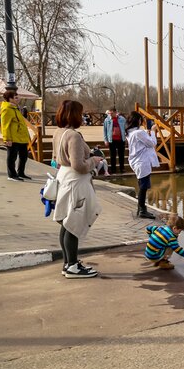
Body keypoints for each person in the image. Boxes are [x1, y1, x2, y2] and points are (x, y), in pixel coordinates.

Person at [52, 100, 104, 278]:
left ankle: (68, 263)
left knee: (66, 223)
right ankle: (73, 266)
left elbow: (59, 158)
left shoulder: (59, 132)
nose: (82, 117)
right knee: (74, 224)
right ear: (74, 115)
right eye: (80, 114)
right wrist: (94, 161)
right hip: (76, 183)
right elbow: (79, 166)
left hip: (65, 179)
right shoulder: (73, 135)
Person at [127, 111, 160, 219]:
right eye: (141, 120)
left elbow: (141, 136)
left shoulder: (131, 132)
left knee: (142, 184)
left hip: (136, 161)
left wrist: (146, 132)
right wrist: (154, 132)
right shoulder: (138, 133)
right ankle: (142, 210)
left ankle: (140, 208)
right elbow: (152, 143)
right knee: (143, 186)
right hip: (142, 161)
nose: (142, 121)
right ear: (138, 121)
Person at [0, 89, 31, 181]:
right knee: (12, 157)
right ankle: (12, 175)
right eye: (16, 97)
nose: (18, 99)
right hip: (13, 138)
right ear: (10, 99)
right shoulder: (6, 109)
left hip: (21, 137)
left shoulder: (15, 108)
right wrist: (7, 139)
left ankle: (21, 173)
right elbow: (4, 125)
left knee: (24, 156)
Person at [102, 107, 127, 174]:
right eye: (109, 113)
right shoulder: (107, 120)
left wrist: (127, 137)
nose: (110, 114)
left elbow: (126, 128)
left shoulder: (122, 119)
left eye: (111, 113)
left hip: (121, 139)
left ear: (115, 112)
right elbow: (105, 131)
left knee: (121, 155)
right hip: (111, 140)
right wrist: (105, 140)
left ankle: (122, 168)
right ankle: (113, 169)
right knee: (112, 155)